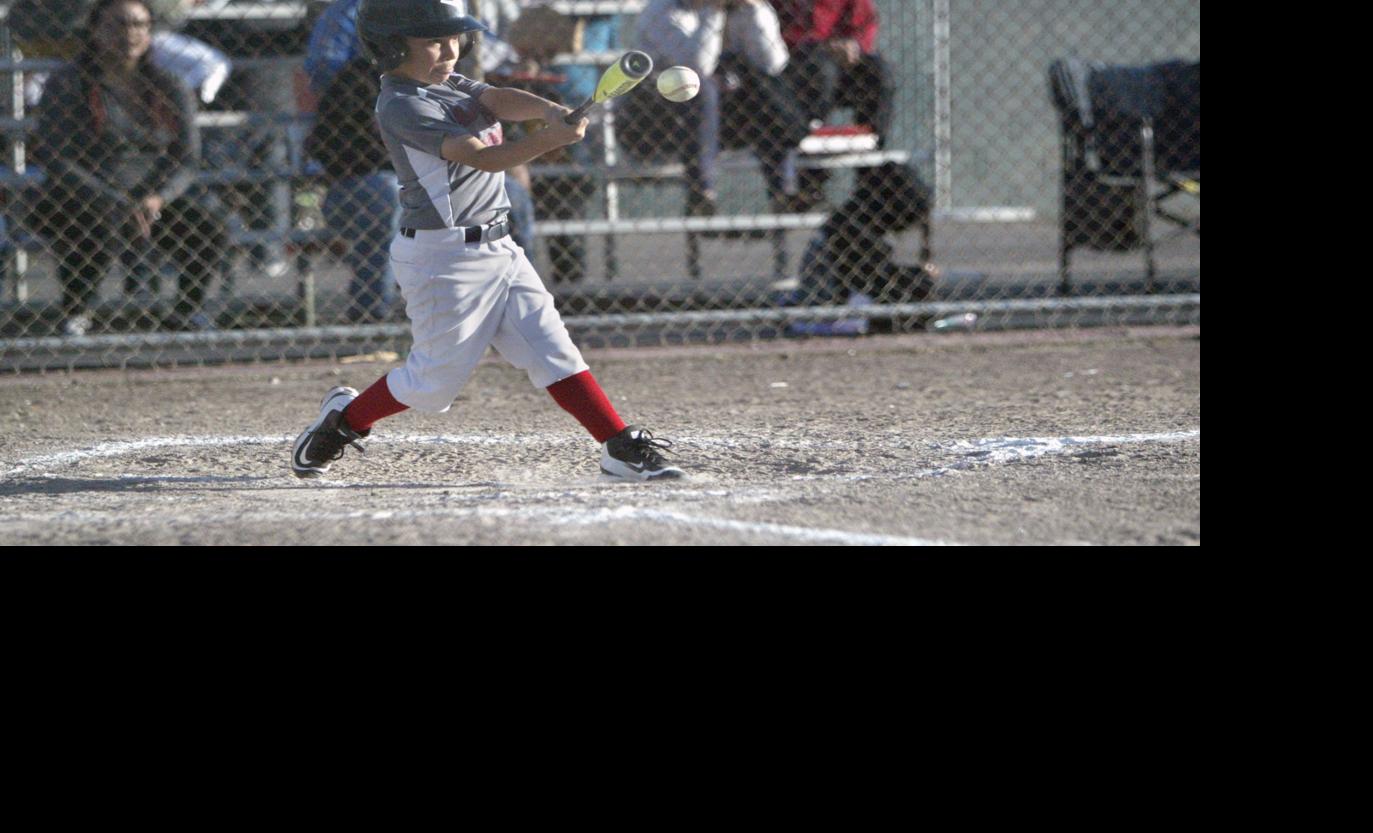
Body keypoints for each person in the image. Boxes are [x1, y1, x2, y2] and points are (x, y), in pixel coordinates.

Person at [291, 0, 684, 482]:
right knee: (432, 384)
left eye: (453, 38)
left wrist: (548, 111)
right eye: (433, 41)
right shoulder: (402, 104)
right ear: (393, 49)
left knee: (553, 351)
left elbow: (496, 98)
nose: (450, 49)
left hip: (499, 248)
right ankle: (343, 422)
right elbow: (482, 158)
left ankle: (619, 444)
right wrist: (549, 140)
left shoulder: (449, 83)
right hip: (443, 258)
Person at [23, 0, 230, 335]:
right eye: (118, 25)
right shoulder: (68, 83)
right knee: (92, 223)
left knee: (209, 225)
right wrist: (113, 199)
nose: (130, 34)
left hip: (152, 196)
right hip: (85, 192)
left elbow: (188, 157)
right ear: (94, 31)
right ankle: (77, 311)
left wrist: (158, 197)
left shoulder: (168, 85)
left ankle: (186, 311)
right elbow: (58, 158)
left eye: (139, 25)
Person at [622, 0, 805, 214]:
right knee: (703, 88)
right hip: (660, 119)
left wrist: (756, 9)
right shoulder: (661, 11)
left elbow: (773, 65)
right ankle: (702, 192)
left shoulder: (743, 10)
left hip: (721, 117)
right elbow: (699, 66)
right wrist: (713, 10)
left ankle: (784, 191)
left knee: (765, 89)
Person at [303, 58, 402, 322]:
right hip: (355, 188)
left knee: (507, 189)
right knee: (386, 194)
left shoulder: (447, 83)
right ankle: (372, 316)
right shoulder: (358, 81)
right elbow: (322, 149)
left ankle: (511, 310)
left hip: (428, 183)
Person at [787, 161, 934, 336]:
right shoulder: (852, 228)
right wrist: (919, 275)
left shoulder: (854, 221)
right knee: (917, 283)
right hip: (831, 312)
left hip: (842, 300)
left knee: (915, 281)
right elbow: (873, 281)